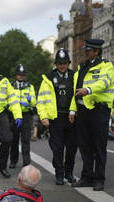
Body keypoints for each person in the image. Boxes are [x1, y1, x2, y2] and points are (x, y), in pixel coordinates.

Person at [70, 39, 114, 191]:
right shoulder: (82, 67)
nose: (85, 52)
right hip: (83, 111)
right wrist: (72, 110)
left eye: (88, 50)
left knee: (99, 146)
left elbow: (104, 83)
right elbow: (74, 90)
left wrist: (88, 90)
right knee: (85, 146)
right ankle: (86, 177)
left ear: (96, 51)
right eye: (85, 50)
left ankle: (99, 179)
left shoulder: (107, 66)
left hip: (99, 110)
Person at [37, 49, 78, 185]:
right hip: (55, 118)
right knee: (57, 148)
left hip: (72, 117)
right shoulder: (48, 78)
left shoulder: (75, 76)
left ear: (68, 63)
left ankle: (69, 173)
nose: (62, 66)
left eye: (65, 63)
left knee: (72, 148)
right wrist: (43, 116)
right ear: (56, 64)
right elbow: (41, 100)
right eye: (59, 63)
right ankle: (59, 174)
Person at [8, 64, 36, 168]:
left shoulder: (29, 87)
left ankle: (26, 162)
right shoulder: (10, 86)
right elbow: (8, 101)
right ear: (15, 75)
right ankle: (13, 161)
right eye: (19, 75)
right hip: (14, 115)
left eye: (23, 75)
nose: (21, 77)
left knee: (25, 139)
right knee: (14, 140)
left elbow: (34, 101)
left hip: (26, 115)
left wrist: (29, 101)